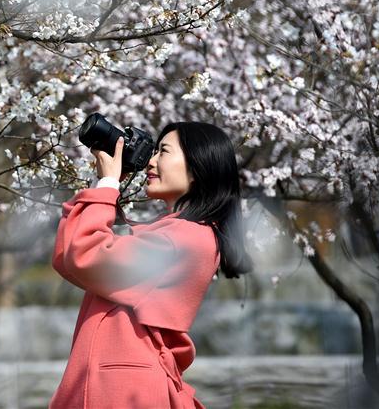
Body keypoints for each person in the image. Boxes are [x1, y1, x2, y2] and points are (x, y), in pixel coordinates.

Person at [49, 121, 253, 409]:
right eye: (154, 151)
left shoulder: (187, 239)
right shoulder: (178, 234)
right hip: (116, 386)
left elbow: (86, 254)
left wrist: (108, 186)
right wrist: (101, 188)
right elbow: (69, 258)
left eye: (163, 152)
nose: (152, 161)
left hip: (123, 392)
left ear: (198, 167)